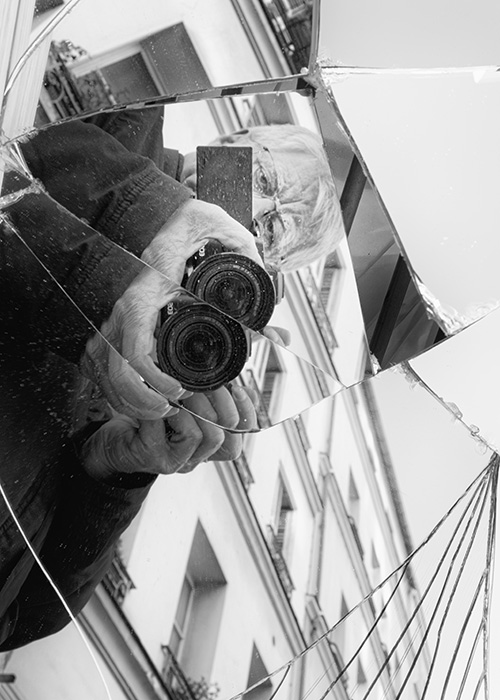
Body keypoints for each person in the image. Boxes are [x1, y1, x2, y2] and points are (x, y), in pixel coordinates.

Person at [0, 106, 344, 648]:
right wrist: (130, 263)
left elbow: (27, 617)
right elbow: (26, 169)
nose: (252, 213)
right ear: (231, 142)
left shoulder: (174, 357)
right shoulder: (116, 133)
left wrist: (113, 468)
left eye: (269, 232)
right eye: (261, 179)